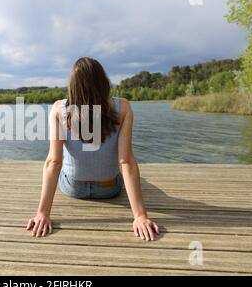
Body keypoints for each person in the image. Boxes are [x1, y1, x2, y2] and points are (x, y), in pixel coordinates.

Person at [26, 57, 159, 241]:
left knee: (63, 165)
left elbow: (53, 162)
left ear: (73, 86)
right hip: (109, 189)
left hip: (74, 188)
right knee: (129, 173)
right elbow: (125, 162)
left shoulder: (58, 109)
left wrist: (42, 213)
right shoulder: (123, 108)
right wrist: (140, 216)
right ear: (103, 82)